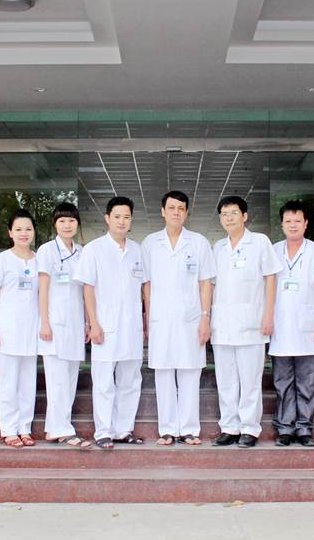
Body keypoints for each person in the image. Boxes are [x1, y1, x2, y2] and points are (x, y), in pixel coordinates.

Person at [142, 190, 216, 446]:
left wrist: (205, 317)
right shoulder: (150, 243)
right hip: (160, 319)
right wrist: (148, 319)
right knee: (163, 373)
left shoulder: (199, 242)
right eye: (171, 208)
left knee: (190, 372)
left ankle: (189, 429)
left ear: (186, 213)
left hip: (191, 318)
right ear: (163, 211)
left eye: (181, 208)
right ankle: (167, 429)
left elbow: (206, 283)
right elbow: (147, 285)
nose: (176, 212)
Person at [75, 196, 146, 451]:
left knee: (130, 380)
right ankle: (103, 431)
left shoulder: (137, 250)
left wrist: (145, 321)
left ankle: (123, 430)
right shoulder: (94, 249)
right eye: (117, 216)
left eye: (126, 217)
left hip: (132, 326)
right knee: (104, 381)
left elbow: (144, 287)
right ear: (107, 218)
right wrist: (93, 323)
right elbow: (88, 289)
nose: (122, 221)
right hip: (104, 325)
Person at [210, 195, 278, 448]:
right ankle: (229, 427)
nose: (229, 218)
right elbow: (210, 285)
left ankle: (249, 428)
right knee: (226, 380)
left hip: (252, 323)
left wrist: (268, 314)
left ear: (245, 216)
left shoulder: (259, 242)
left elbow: (271, 278)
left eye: (234, 213)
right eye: (224, 214)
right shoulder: (217, 247)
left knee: (250, 380)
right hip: (222, 325)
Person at [269, 200, 314, 447]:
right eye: (288, 221)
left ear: (306, 224)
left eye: (297, 221)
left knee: (306, 382)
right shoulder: (273, 251)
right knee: (282, 382)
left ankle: (305, 428)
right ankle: (285, 428)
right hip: (280, 326)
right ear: (282, 224)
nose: (293, 225)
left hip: (308, 327)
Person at [37, 202, 91, 449]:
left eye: (71, 220)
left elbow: (86, 291)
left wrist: (88, 322)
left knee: (69, 380)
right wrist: (44, 322)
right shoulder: (47, 250)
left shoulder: (82, 252)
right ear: (55, 224)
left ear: (77, 223)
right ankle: (63, 429)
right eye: (62, 221)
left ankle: (54, 428)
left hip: (75, 323)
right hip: (55, 323)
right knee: (57, 380)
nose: (67, 225)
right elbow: (43, 289)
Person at [0, 210, 42, 447]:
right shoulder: (2, 260)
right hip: (7, 330)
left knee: (28, 383)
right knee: (8, 383)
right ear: (10, 233)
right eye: (18, 229)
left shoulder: (39, 259)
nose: (23, 233)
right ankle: (9, 429)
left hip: (31, 330)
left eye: (28, 229)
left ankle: (25, 428)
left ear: (34, 232)